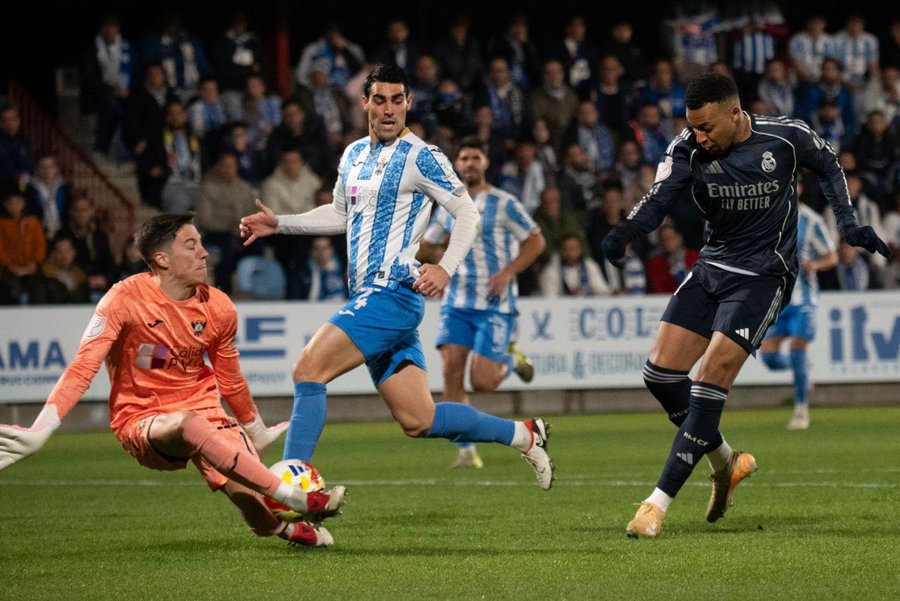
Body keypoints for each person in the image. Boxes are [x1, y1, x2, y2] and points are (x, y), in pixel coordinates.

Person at [240, 66, 555, 515]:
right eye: (379, 99)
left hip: (392, 292)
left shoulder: (421, 155)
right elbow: (339, 214)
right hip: (369, 297)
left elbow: (467, 213)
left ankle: (292, 489)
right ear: (365, 103)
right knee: (418, 420)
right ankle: (525, 435)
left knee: (307, 370)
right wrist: (281, 223)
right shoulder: (352, 155)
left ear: (408, 103)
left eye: (397, 100)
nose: (388, 109)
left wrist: (445, 268)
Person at [600, 73, 890, 538]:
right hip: (713, 266)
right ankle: (726, 462)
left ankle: (656, 505)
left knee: (707, 381)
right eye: (693, 127)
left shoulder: (786, 137)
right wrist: (624, 234)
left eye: (708, 127)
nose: (700, 136)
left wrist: (848, 225)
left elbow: (829, 164)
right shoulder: (688, 148)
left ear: (736, 114)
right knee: (659, 375)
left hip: (764, 276)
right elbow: (659, 200)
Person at [0, 213, 345, 547]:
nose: (204, 252)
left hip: (205, 409)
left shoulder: (219, 307)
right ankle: (299, 499)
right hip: (143, 419)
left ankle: (287, 530)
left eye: (201, 243)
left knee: (249, 499)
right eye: (191, 245)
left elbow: (230, 377)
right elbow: (83, 365)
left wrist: (254, 428)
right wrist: (43, 427)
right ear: (162, 259)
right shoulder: (124, 300)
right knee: (186, 425)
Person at [418, 137, 546, 469]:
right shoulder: (446, 204)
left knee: (483, 382)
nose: (469, 163)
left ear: (486, 162)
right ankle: (466, 452)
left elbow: (535, 240)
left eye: (475, 157)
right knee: (450, 374)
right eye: (463, 158)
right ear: (456, 164)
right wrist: (436, 253)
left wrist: (507, 272)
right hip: (456, 301)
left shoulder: (504, 203)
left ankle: (509, 355)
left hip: (494, 303)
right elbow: (426, 247)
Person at [760, 179, 838, 430]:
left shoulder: (811, 221)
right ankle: (803, 369)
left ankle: (801, 411)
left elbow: (831, 256)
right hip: (780, 300)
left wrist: (814, 265)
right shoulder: (768, 218)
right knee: (769, 357)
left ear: (799, 189)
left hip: (805, 299)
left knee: (796, 348)